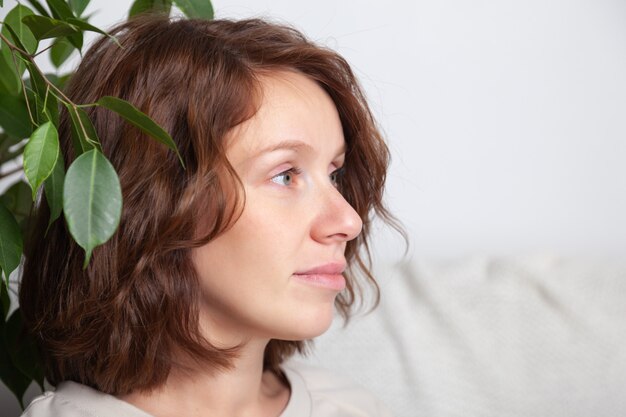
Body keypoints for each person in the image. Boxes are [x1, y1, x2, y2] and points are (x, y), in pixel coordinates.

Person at [19, 14, 398, 417]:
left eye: (334, 174)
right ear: (155, 201)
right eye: (285, 175)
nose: (348, 221)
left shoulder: (351, 406)